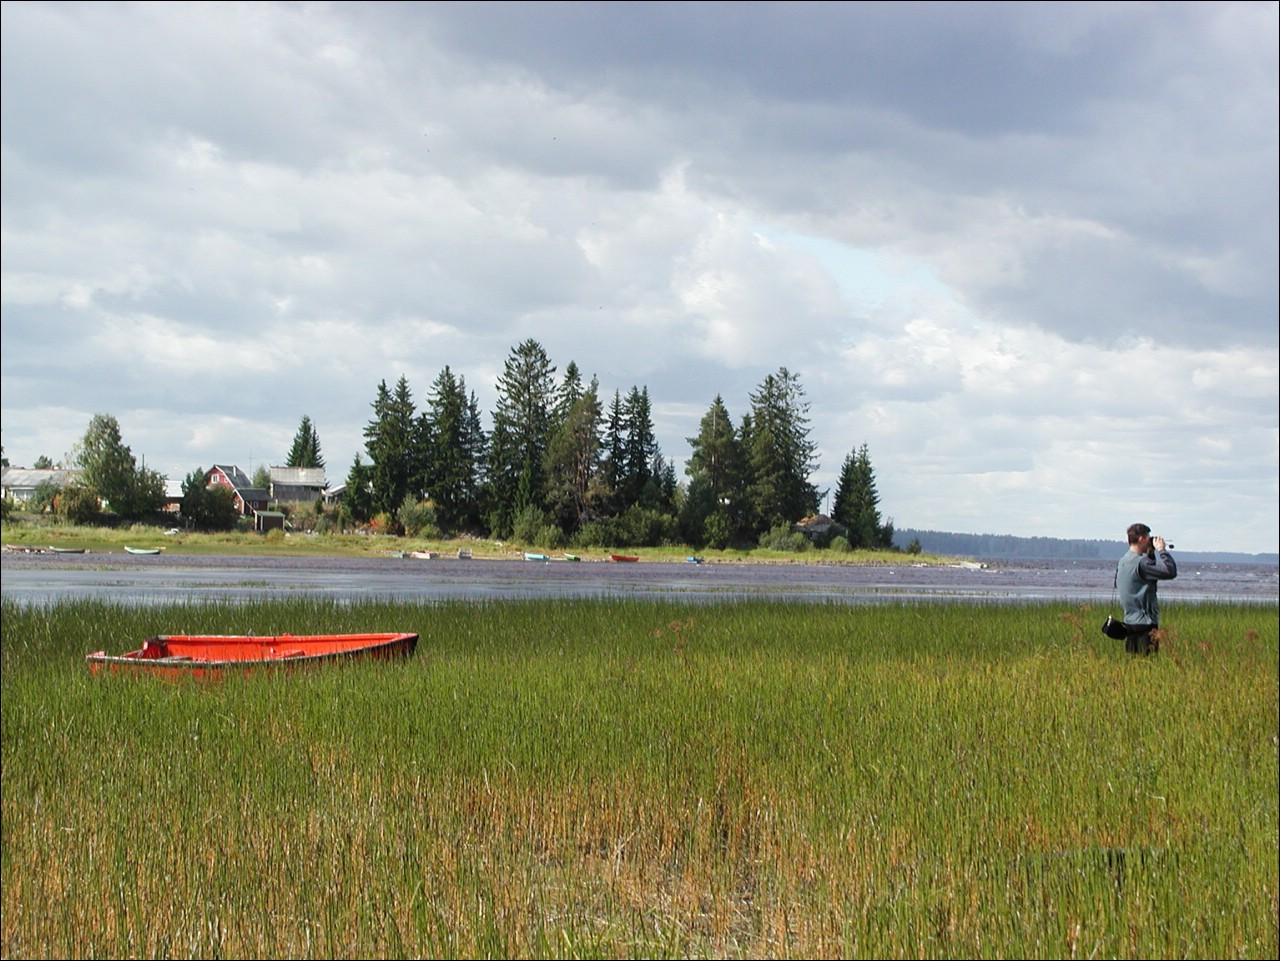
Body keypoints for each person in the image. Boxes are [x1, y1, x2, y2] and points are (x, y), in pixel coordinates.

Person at [1115, 522, 1177, 655]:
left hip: (1129, 622)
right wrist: (1161, 550)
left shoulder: (1123, 561)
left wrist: (1151, 553)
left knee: (1134, 666)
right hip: (1146, 624)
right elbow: (1170, 571)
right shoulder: (1141, 563)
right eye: (1148, 538)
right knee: (1148, 665)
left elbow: (1145, 576)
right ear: (1142, 539)